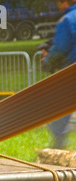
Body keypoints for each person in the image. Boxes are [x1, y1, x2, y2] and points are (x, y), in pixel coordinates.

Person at [41, 0, 76, 149]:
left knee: (57, 110)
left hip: (70, 72)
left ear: (64, 3)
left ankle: (59, 147)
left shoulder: (67, 20)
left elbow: (61, 47)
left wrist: (47, 60)